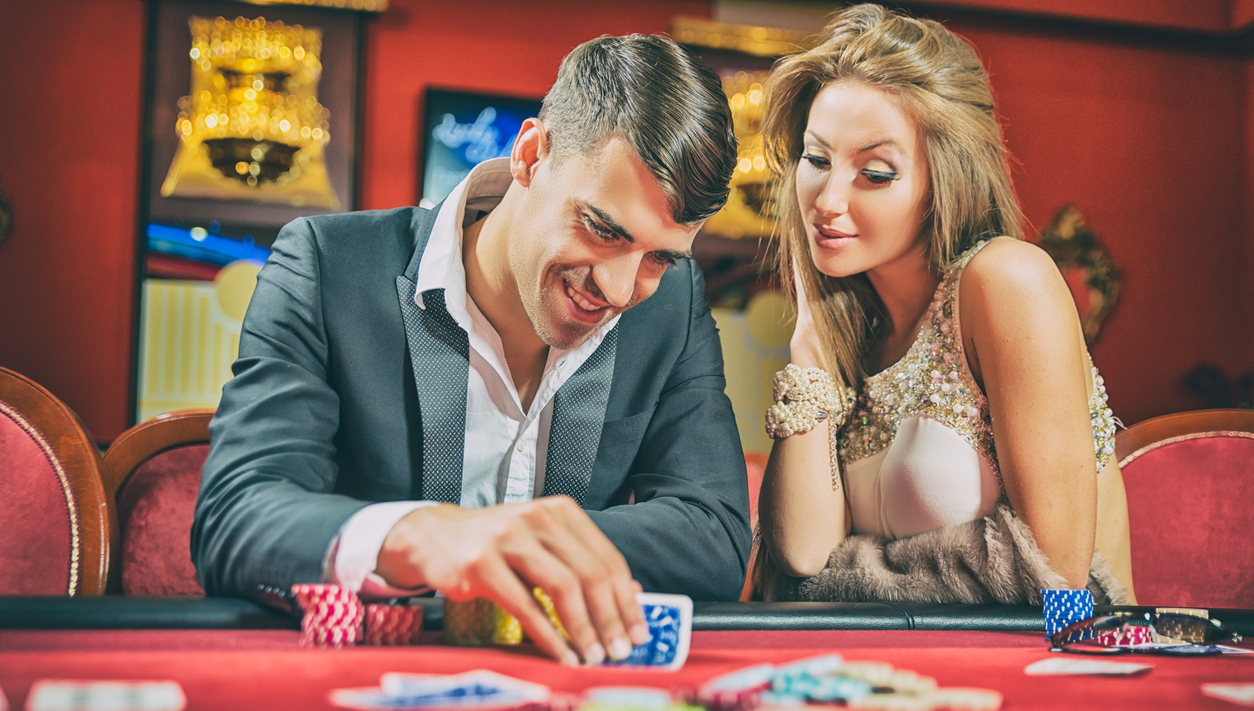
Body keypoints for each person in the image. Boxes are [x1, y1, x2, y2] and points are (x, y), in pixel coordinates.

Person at [191, 34, 751, 666]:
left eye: (659, 258)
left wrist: (516, 545)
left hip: (563, 699)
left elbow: (715, 535)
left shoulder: (672, 306)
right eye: (601, 229)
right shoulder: (326, 266)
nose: (622, 290)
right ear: (532, 156)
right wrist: (424, 537)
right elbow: (236, 517)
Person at [753, 4, 1135, 604]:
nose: (827, 199)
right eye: (818, 159)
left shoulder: (1005, 281)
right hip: (894, 677)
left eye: (875, 173)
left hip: (1062, 672)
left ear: (945, 181)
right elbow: (801, 559)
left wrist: (848, 579)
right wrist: (807, 345)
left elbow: (1056, 575)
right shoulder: (849, 331)